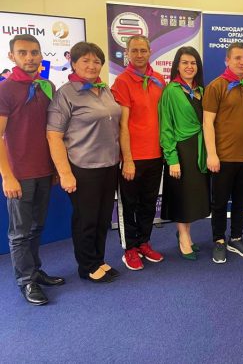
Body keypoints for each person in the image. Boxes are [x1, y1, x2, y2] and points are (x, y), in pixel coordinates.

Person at [47, 42, 121, 283]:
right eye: (85, 61)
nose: (92, 65)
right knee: (86, 219)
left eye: (96, 61)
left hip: (109, 165)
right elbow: (54, 136)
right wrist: (65, 173)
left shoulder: (104, 89)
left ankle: (98, 259)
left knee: (102, 218)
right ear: (73, 63)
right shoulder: (65, 94)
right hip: (83, 167)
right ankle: (87, 266)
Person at [0, 34, 64, 306]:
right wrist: (7, 176)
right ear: (12, 56)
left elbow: (52, 131)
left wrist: (56, 168)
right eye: (23, 53)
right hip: (20, 174)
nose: (29, 57)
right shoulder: (5, 89)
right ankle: (25, 280)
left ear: (41, 56)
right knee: (19, 233)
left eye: (34, 52)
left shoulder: (46, 86)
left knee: (37, 227)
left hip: (44, 170)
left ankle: (35, 271)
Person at [203, 42, 243, 264]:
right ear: (227, 60)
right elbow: (207, 122)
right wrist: (212, 154)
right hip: (223, 157)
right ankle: (219, 240)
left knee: (241, 200)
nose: (242, 62)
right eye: (237, 58)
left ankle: (236, 237)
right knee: (219, 203)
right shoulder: (216, 86)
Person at [111, 35, 166, 271]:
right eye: (134, 50)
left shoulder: (159, 80)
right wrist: (128, 160)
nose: (139, 54)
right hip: (132, 158)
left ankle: (144, 242)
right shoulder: (122, 82)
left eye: (143, 50)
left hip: (156, 155)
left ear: (150, 51)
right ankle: (130, 248)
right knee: (129, 205)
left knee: (148, 203)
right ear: (127, 53)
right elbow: (122, 124)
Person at [159, 46, 210, 261]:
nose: (189, 67)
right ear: (177, 66)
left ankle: (185, 233)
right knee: (182, 195)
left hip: (199, 149)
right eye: (185, 63)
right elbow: (166, 127)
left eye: (193, 63)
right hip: (180, 150)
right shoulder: (171, 91)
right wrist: (172, 158)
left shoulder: (201, 91)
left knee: (191, 196)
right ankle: (183, 237)